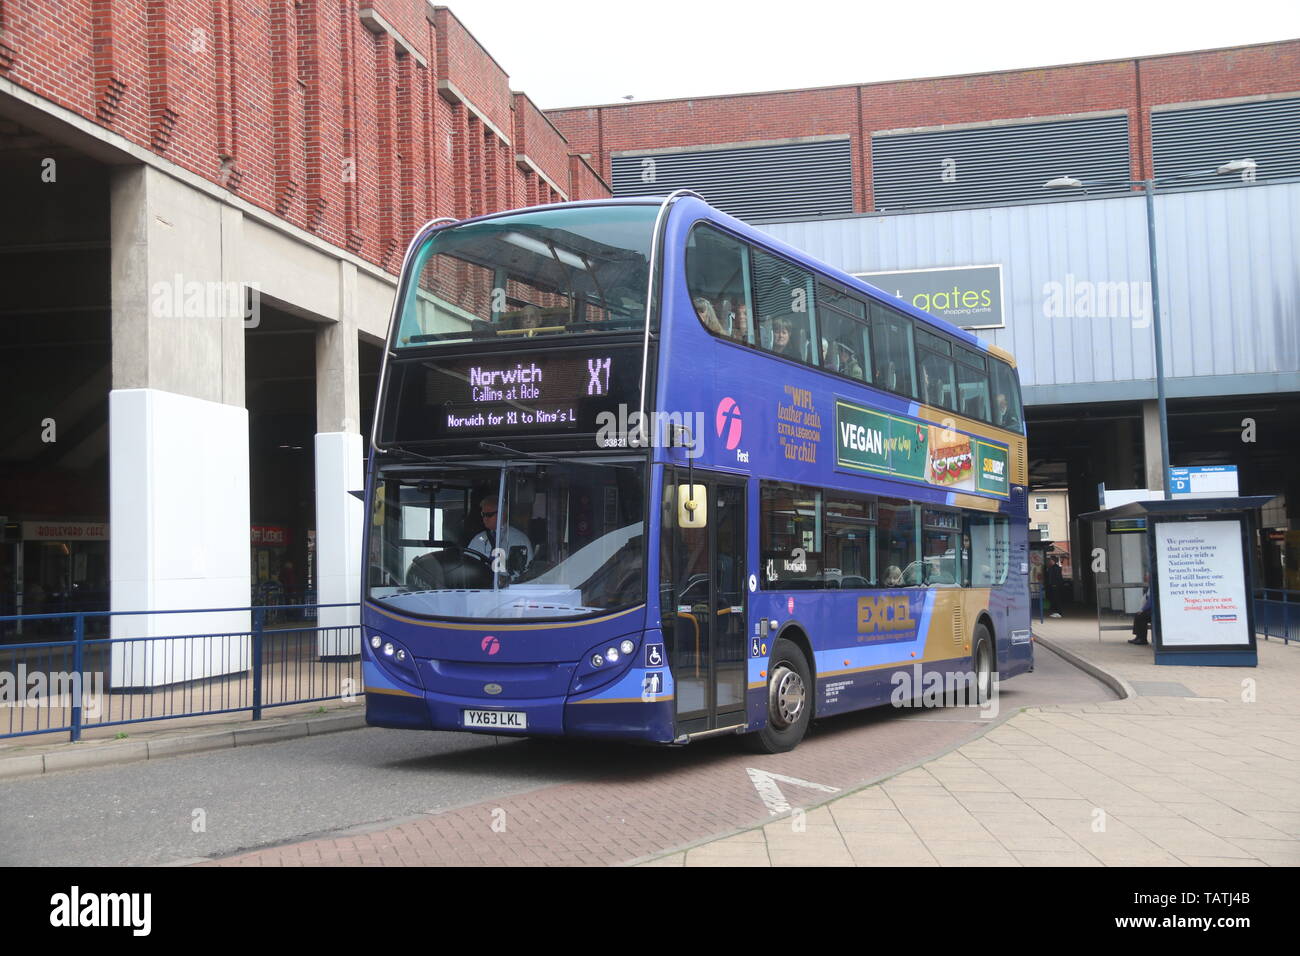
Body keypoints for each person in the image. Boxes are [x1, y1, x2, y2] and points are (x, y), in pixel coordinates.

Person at [467, 494, 534, 571]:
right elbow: (467, 566)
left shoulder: (519, 539)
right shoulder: (478, 539)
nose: (485, 518)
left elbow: (528, 571)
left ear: (502, 514)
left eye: (489, 515)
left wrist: (506, 579)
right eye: (483, 514)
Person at [1129, 577, 1152, 645]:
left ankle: (1142, 639)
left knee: (1141, 616)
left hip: (1152, 612)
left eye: (1148, 577)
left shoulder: (1153, 587)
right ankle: (1138, 637)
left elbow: (1150, 602)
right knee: (1138, 615)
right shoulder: (1149, 587)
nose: (1146, 579)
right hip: (1149, 610)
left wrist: (1143, 610)